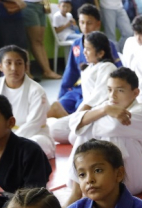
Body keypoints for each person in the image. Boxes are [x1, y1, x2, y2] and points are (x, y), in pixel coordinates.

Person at [65, 67, 142, 204]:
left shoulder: (140, 113)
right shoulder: (107, 106)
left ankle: (81, 192)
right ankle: (77, 192)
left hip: (135, 176)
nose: (113, 95)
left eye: (120, 90)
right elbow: (73, 121)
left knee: (103, 133)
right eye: (109, 90)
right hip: (105, 176)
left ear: (135, 93)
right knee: (86, 132)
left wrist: (93, 117)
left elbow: (114, 126)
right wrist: (105, 109)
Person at [48, 4, 122, 133]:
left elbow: (118, 73)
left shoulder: (107, 45)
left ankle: (75, 126)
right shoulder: (76, 45)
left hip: (93, 94)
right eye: (82, 22)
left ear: (98, 24)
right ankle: (72, 125)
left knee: (76, 111)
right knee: (56, 106)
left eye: (89, 23)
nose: (85, 27)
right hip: (78, 90)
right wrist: (61, 94)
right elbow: (70, 73)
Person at [0, 45, 54, 159]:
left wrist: (8, 143)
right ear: (0, 66)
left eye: (19, 63)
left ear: (26, 66)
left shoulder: (36, 90)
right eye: (8, 63)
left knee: (33, 145)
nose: (14, 68)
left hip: (32, 135)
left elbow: (34, 124)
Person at [21, 0, 61, 79]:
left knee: (39, 41)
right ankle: (47, 71)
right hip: (28, 5)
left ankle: (47, 71)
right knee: (35, 41)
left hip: (41, 5)